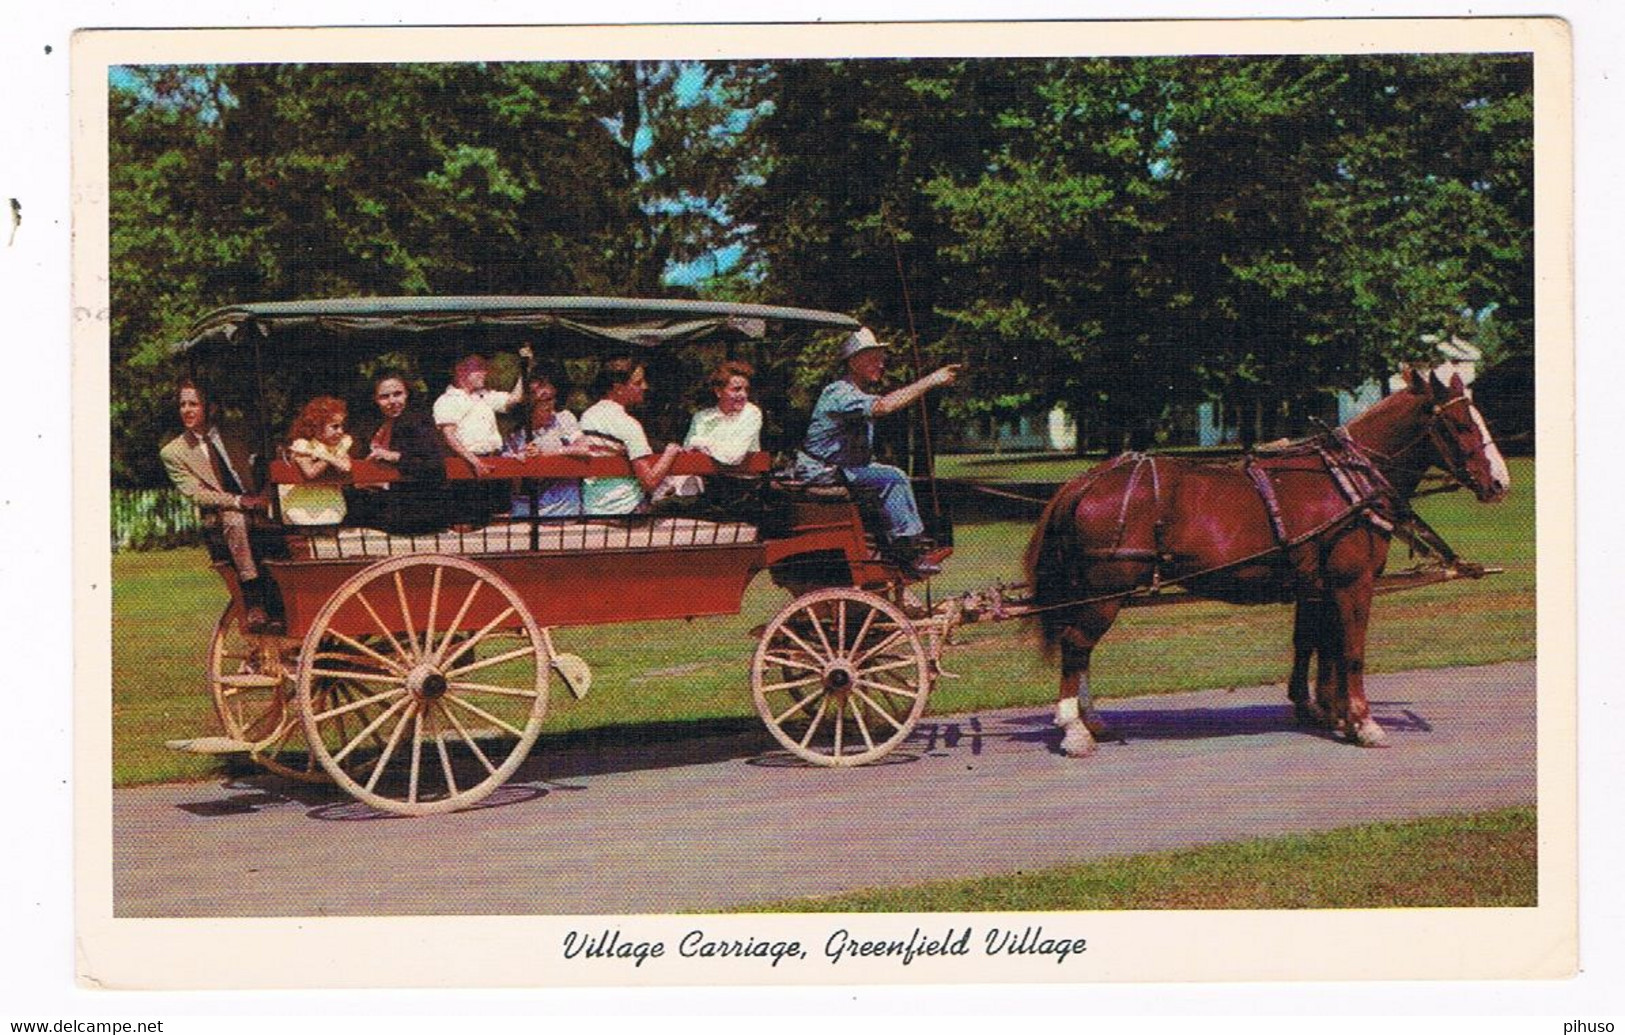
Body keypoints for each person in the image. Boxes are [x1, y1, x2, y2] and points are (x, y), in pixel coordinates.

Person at [795, 327, 962, 577]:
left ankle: (901, 547)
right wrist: (931, 380)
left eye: (882, 358)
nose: (881, 364)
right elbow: (884, 406)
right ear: (853, 361)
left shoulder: (857, 394)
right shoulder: (838, 393)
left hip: (843, 469)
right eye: (874, 357)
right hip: (822, 471)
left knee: (908, 480)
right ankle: (908, 553)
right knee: (892, 477)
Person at [159, 379, 279, 632]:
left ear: (210, 407)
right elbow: (196, 493)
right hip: (222, 515)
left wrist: (264, 495)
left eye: (194, 403)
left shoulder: (237, 432)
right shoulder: (173, 452)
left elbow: (268, 460)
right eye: (183, 404)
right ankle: (253, 597)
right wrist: (238, 501)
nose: (187, 410)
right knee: (234, 518)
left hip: (257, 502)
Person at [345, 372, 454, 534]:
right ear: (374, 399)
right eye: (384, 396)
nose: (392, 401)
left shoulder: (420, 423)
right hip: (374, 511)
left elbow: (434, 465)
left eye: (398, 394)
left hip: (413, 513)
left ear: (407, 394)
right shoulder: (367, 425)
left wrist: (394, 456)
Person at [434, 347, 532, 521]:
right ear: (460, 370)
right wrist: (474, 461)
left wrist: (526, 366)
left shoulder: (484, 397)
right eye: (479, 367)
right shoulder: (448, 400)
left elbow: (515, 398)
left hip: (493, 462)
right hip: (466, 468)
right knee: (468, 522)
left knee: (499, 519)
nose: (485, 372)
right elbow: (449, 435)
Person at [577, 357, 683, 515]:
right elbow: (649, 481)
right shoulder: (628, 424)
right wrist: (671, 452)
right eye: (638, 383)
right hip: (628, 510)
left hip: (593, 508)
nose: (645, 387)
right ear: (618, 388)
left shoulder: (587, 416)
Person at [661, 359, 763, 500]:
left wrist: (701, 442)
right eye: (736, 389)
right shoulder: (702, 417)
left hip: (743, 490)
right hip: (707, 487)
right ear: (718, 392)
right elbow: (688, 454)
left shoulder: (751, 413)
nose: (743, 395)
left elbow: (733, 456)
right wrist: (709, 448)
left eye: (746, 389)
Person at [502, 369, 591, 518]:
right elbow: (509, 469)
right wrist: (518, 459)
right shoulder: (515, 433)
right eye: (544, 399)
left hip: (563, 511)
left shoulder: (563, 419)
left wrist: (548, 452)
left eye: (552, 397)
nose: (551, 404)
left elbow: (584, 448)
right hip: (526, 511)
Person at [280, 396, 352, 525]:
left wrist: (331, 455)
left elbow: (345, 466)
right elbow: (310, 472)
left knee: (328, 534)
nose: (340, 431)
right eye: (335, 427)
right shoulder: (303, 445)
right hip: (303, 502)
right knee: (307, 532)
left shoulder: (339, 446)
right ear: (317, 428)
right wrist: (328, 457)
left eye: (342, 426)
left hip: (330, 500)